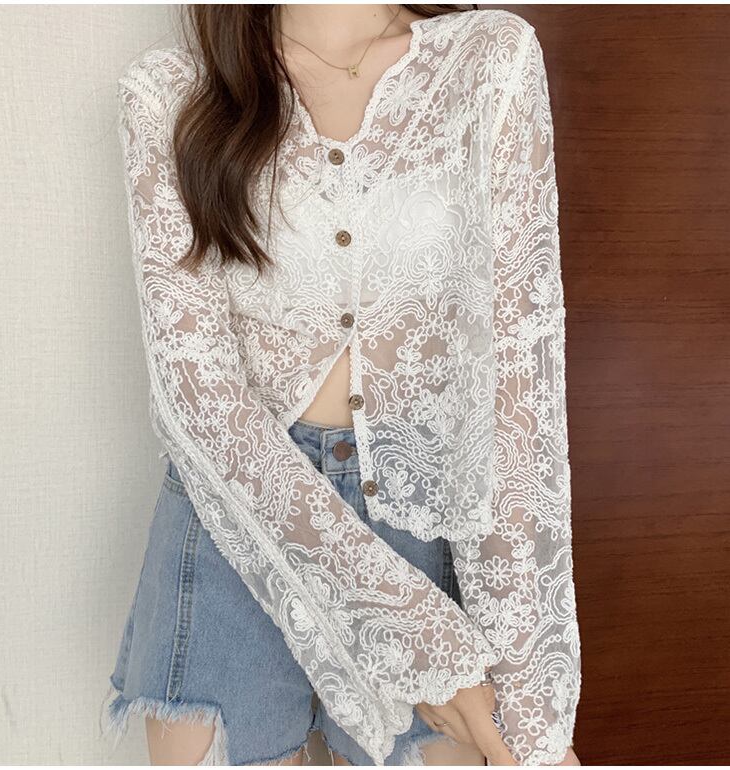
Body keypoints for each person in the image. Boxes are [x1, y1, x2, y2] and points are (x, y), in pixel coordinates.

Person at [101, 4, 582, 766]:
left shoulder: (489, 61)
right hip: (240, 521)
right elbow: (197, 399)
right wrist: (412, 633)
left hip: (424, 512)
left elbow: (517, 394)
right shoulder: (172, 93)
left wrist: (533, 705)